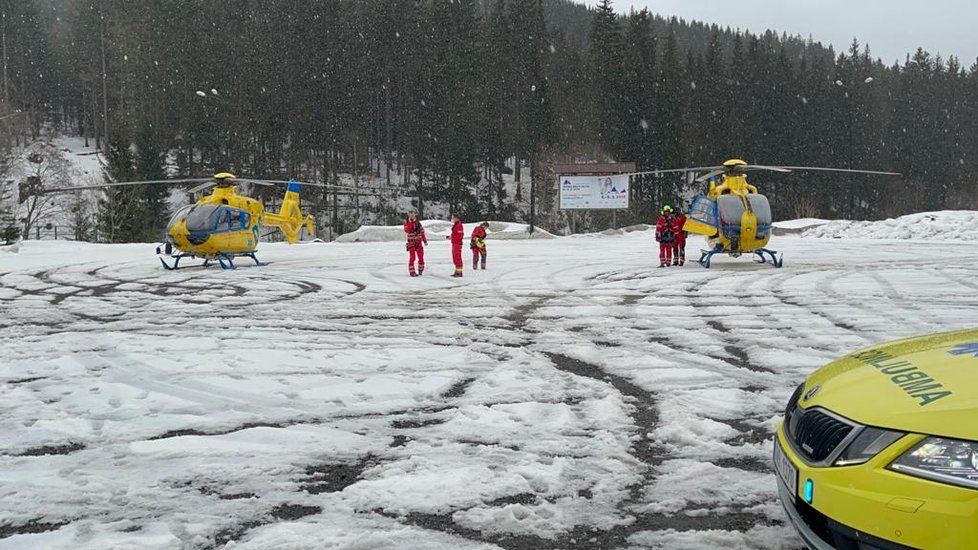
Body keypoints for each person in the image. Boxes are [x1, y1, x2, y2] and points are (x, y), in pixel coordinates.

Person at [403, 208, 427, 276]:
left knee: (421, 257)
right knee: (412, 257)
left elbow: (422, 232)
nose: (412, 216)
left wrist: (424, 241)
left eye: (413, 214)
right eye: (410, 214)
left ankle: (420, 269)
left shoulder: (418, 223)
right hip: (411, 243)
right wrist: (410, 222)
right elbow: (407, 230)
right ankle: (412, 272)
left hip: (419, 243)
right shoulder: (406, 223)